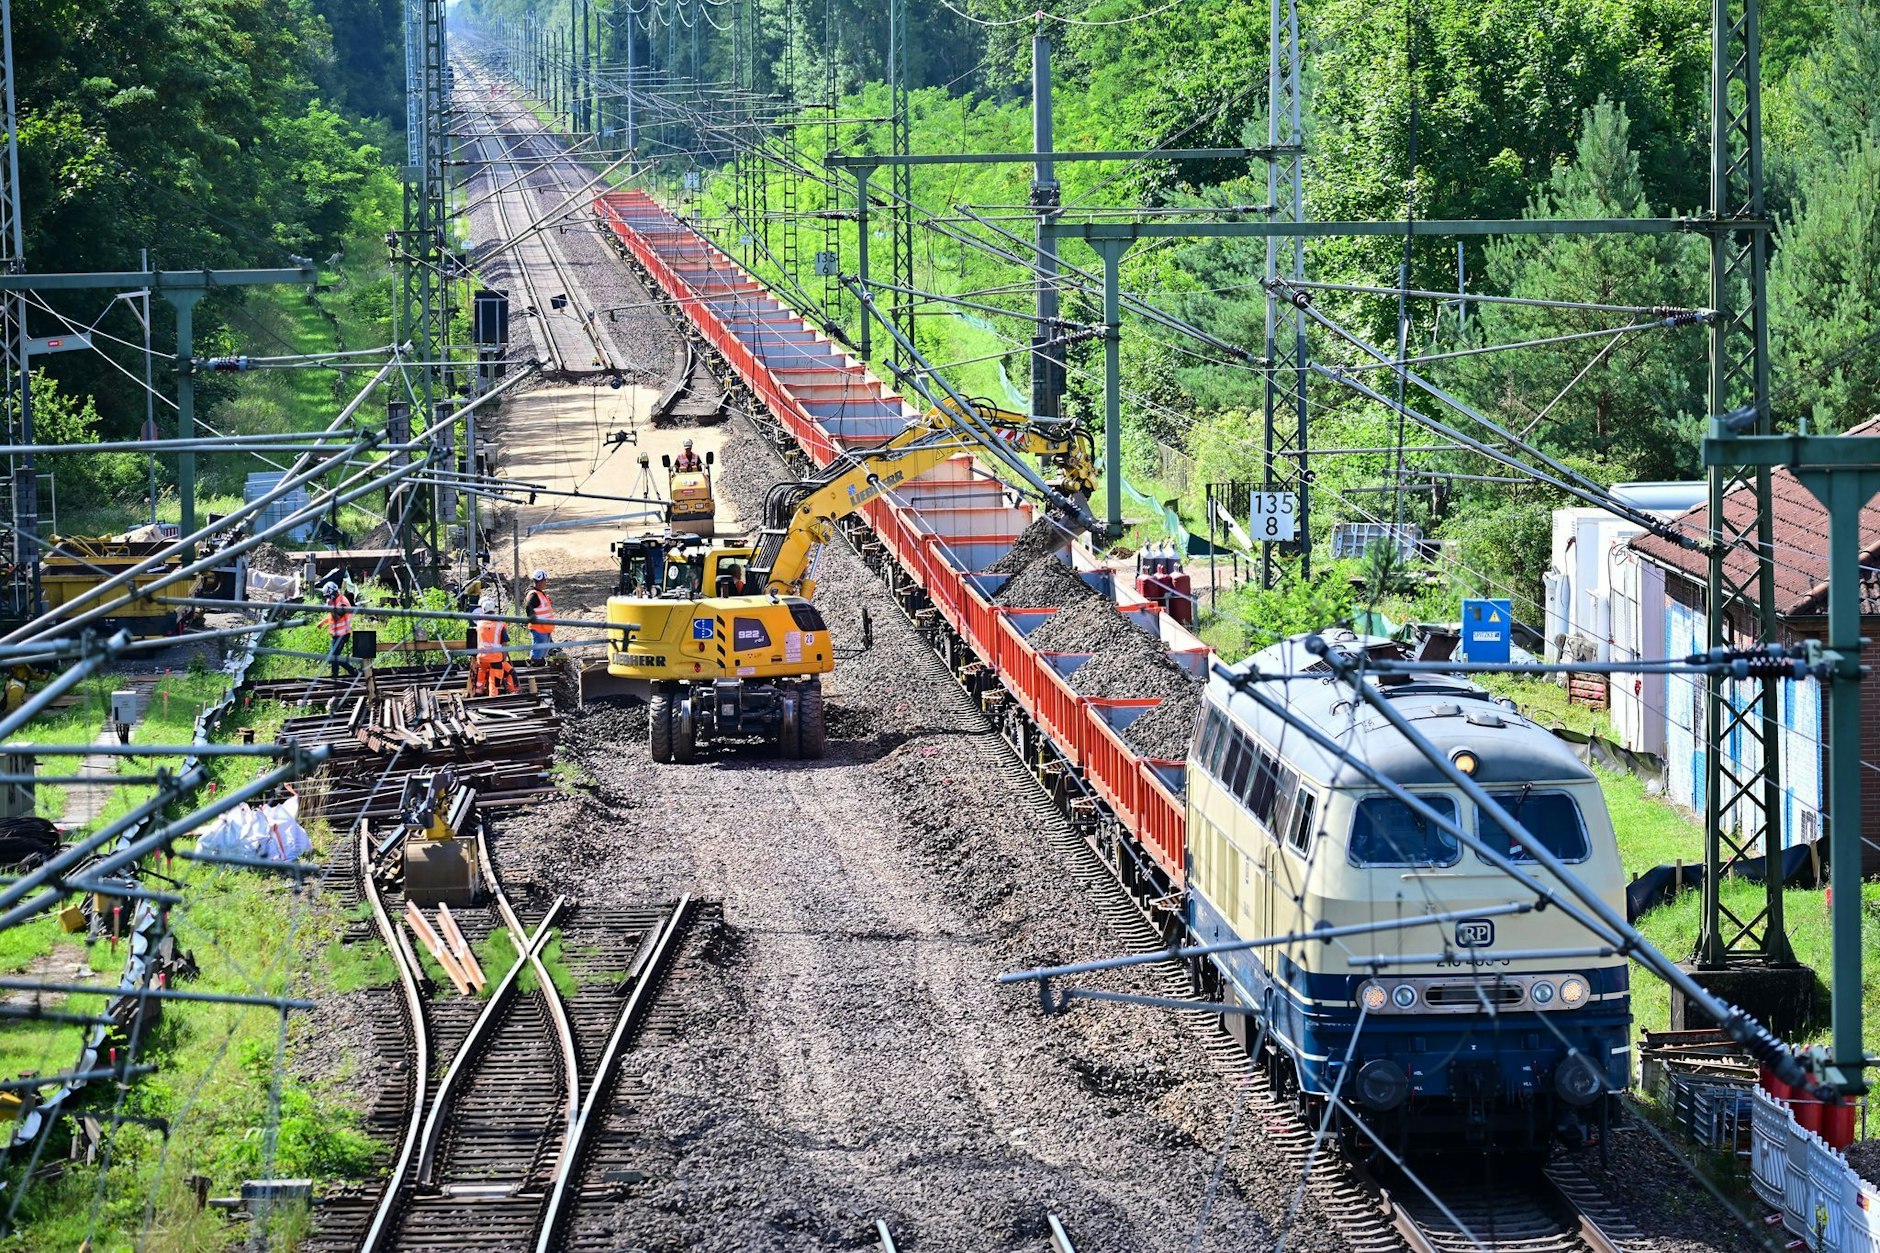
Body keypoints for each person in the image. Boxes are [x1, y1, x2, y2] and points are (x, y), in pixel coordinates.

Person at [469, 592, 518, 697]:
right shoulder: (500, 624)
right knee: (495, 680)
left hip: (482, 659)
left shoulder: (480, 624)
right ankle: (494, 697)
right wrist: (504, 659)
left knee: (481, 675)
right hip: (496, 659)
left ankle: (478, 692)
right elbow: (504, 644)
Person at [322, 581, 358, 682]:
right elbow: (332, 617)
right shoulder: (336, 601)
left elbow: (337, 617)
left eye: (328, 596)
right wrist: (323, 622)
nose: (327, 599)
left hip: (343, 634)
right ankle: (349, 672)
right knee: (333, 657)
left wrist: (330, 607)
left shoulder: (342, 602)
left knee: (334, 656)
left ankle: (338, 676)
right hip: (336, 634)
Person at [523, 569, 555, 662]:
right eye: (545, 580)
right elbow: (529, 608)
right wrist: (532, 619)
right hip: (539, 629)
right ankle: (535, 667)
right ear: (540, 581)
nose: (546, 582)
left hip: (544, 629)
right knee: (537, 654)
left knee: (542, 654)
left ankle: (539, 665)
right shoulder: (534, 594)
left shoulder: (539, 593)